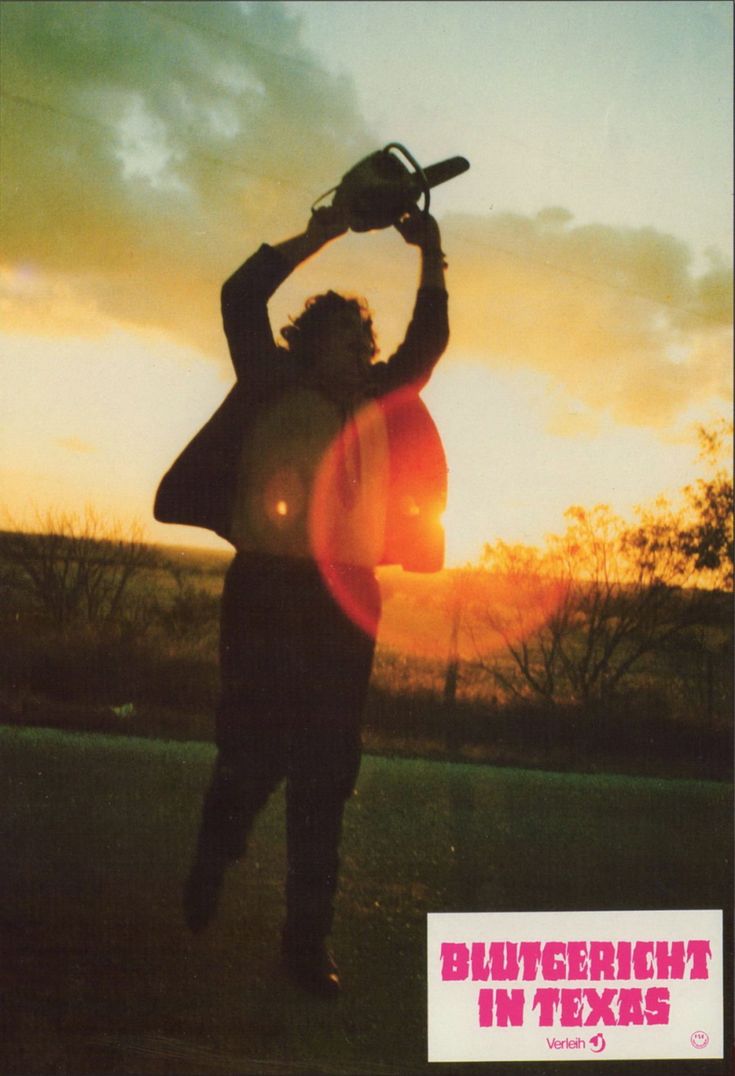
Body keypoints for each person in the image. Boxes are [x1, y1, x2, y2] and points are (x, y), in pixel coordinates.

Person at [154, 201, 449, 998]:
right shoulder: (268, 378)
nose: (359, 352)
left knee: (326, 771)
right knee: (251, 751)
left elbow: (427, 344)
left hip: (347, 597)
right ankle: (217, 851)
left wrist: (431, 251)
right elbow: (239, 295)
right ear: (305, 341)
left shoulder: (384, 397)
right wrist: (326, 230)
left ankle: (304, 944)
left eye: (365, 343)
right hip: (265, 590)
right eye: (343, 338)